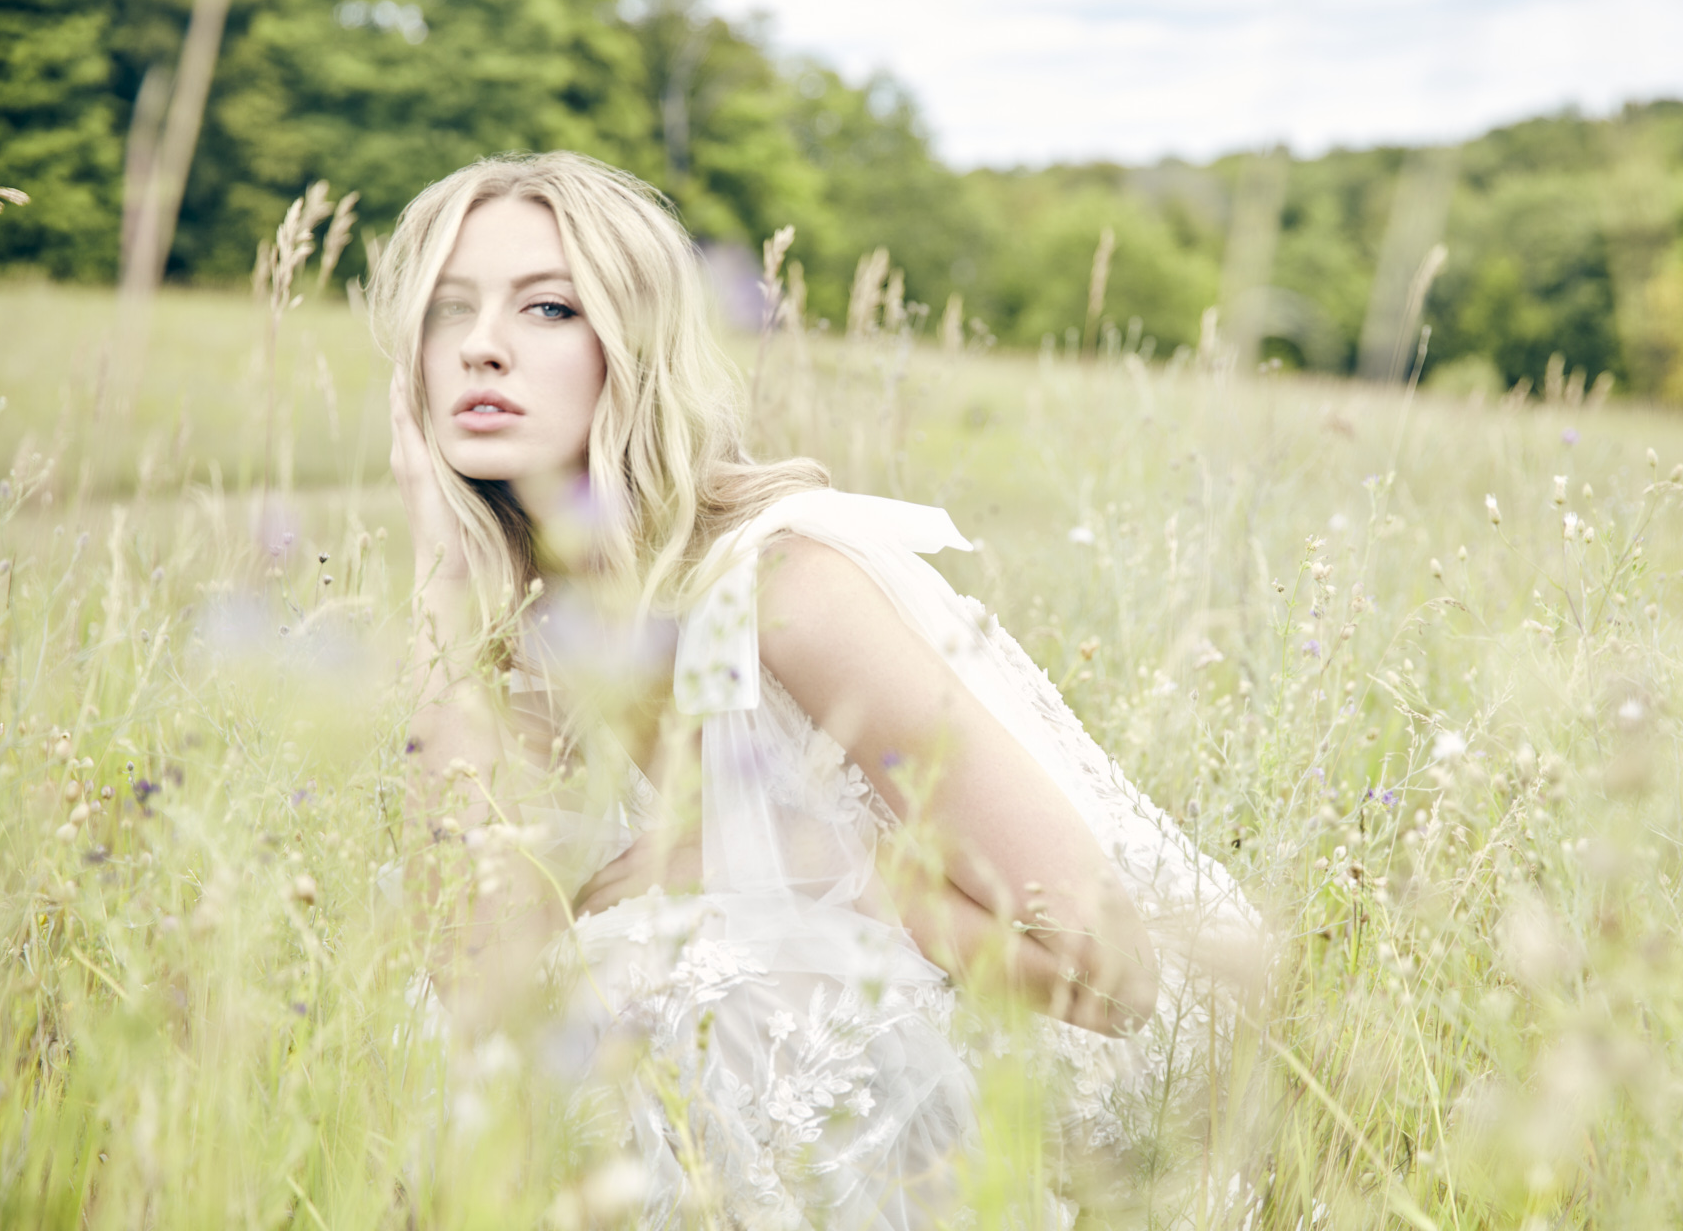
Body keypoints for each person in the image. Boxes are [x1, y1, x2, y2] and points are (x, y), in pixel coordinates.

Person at [372, 151, 1261, 1228]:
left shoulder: (788, 590)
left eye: (549, 306)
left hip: (1037, 1122)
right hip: (755, 1131)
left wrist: (807, 864)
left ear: (632, 348)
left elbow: (1115, 976)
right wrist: (441, 591)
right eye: (446, 310)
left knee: (698, 963)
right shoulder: (534, 630)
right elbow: (475, 990)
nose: (480, 344)